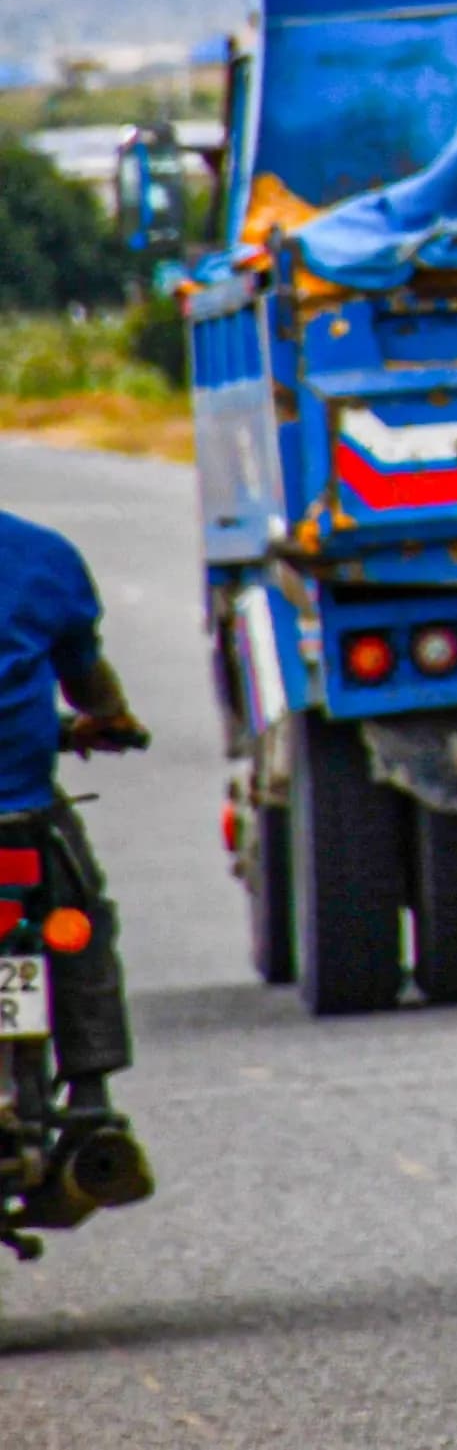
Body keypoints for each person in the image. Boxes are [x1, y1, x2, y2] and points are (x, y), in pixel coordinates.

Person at [0, 503, 155, 1212]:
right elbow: (87, 680)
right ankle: (90, 1099)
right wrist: (112, 722)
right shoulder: (40, 556)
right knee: (78, 921)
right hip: (20, 819)